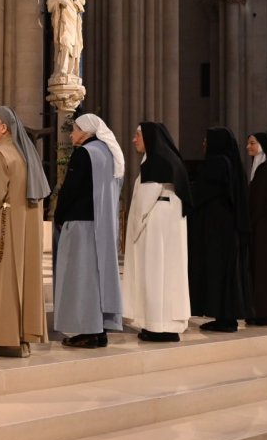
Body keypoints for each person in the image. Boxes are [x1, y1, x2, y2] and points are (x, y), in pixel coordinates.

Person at [0, 106, 50, 358]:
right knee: (21, 284)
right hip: (23, 232)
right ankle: (22, 338)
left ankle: (4, 339)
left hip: (1, 233)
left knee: (2, 286)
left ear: (4, 127)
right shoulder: (25, 156)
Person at [52, 113, 125, 348]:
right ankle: (100, 329)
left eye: (74, 129)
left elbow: (70, 190)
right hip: (102, 226)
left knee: (80, 279)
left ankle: (88, 331)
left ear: (85, 131)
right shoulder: (110, 153)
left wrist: (58, 215)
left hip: (81, 225)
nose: (72, 134)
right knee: (97, 278)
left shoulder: (85, 153)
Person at [123, 122, 192, 342]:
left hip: (156, 223)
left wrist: (131, 230)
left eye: (138, 136)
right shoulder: (170, 159)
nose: (134, 140)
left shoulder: (156, 162)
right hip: (168, 221)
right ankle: (165, 324)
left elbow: (144, 200)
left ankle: (157, 325)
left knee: (155, 272)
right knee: (168, 273)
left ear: (150, 139)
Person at [189, 127, 251, 332]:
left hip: (217, 229)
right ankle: (227, 316)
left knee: (217, 272)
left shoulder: (216, 163)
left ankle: (224, 318)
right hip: (227, 227)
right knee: (226, 273)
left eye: (207, 140)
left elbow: (202, 193)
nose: (204, 144)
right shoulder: (232, 163)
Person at [247, 132, 267, 325]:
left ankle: (264, 313)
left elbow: (259, 202)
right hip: (262, 226)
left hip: (263, 228)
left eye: (252, 143)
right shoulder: (263, 168)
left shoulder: (265, 170)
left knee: (263, 270)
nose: (248, 147)